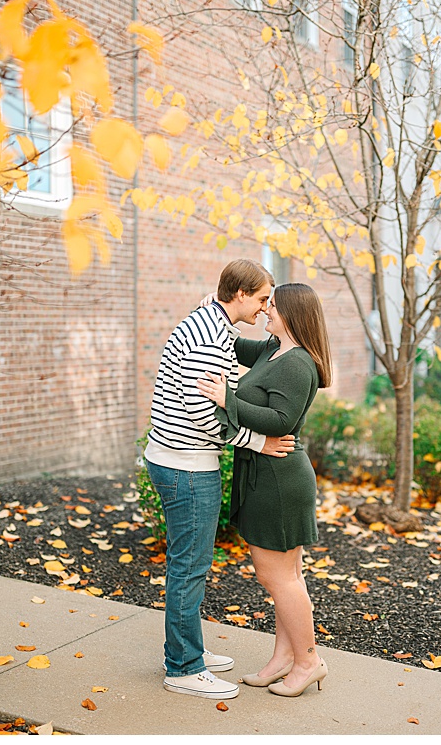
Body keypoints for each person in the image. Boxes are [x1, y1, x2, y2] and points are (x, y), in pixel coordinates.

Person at [143, 260, 298, 701]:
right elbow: (206, 418)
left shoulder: (209, 322)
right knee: (189, 569)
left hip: (173, 459)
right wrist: (259, 442)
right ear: (242, 294)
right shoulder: (211, 340)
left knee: (187, 565)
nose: (267, 308)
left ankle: (185, 648)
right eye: (264, 298)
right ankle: (184, 668)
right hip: (187, 467)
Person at [196, 280, 331, 699]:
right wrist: (215, 308)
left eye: (271, 306)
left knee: (278, 578)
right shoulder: (274, 350)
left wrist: (228, 399)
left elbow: (281, 420)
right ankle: (284, 659)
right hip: (271, 473)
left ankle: (309, 661)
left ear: (290, 313)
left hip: (278, 479)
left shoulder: (297, 363)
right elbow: (234, 345)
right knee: (288, 577)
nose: (265, 311)